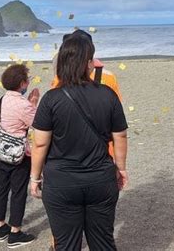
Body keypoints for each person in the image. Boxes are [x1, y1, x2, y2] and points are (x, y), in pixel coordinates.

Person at [30, 35, 128, 250]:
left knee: (66, 244)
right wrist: (120, 169)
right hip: (100, 178)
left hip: (61, 182)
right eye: (91, 59)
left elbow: (39, 144)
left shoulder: (51, 98)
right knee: (103, 241)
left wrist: (35, 178)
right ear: (87, 63)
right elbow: (120, 135)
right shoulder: (107, 95)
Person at [51, 29, 123, 158]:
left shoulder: (60, 78)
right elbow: (116, 116)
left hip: (69, 148)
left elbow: (54, 109)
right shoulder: (109, 76)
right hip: (103, 149)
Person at [0, 64, 39, 248]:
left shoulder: (1, 100)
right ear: (22, 83)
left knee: (1, 188)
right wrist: (34, 101)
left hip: (0, 150)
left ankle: (1, 226)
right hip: (17, 153)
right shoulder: (23, 104)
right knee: (18, 192)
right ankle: (15, 232)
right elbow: (36, 122)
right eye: (27, 80)